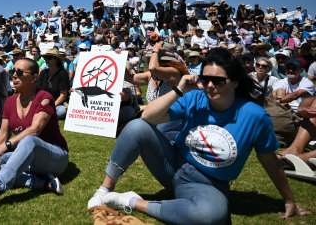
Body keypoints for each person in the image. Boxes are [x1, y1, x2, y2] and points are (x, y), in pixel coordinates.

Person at [87, 48, 311, 223]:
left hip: (208, 184)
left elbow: (270, 161)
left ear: (235, 82)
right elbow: (148, 118)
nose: (210, 85)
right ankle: (105, 189)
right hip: (173, 165)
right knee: (136, 127)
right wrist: (179, 90)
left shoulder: (254, 116)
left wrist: (289, 200)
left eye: (219, 80)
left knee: (212, 215)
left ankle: (130, 201)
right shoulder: (195, 98)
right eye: (206, 79)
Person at [0, 58, 69, 213]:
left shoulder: (44, 98)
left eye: (20, 72)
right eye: (14, 71)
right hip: (30, 158)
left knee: (30, 140)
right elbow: (3, 132)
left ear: (34, 77)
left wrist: (5, 147)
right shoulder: (10, 101)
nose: (14, 75)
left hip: (55, 157)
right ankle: (42, 183)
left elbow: (34, 130)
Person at [37, 48, 70, 119]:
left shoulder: (63, 74)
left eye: (49, 58)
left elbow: (63, 95)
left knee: (61, 111)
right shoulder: (43, 73)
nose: (46, 60)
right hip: (43, 102)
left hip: (57, 104)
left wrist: (51, 106)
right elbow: (38, 91)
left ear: (56, 60)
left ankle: (44, 114)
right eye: (45, 58)